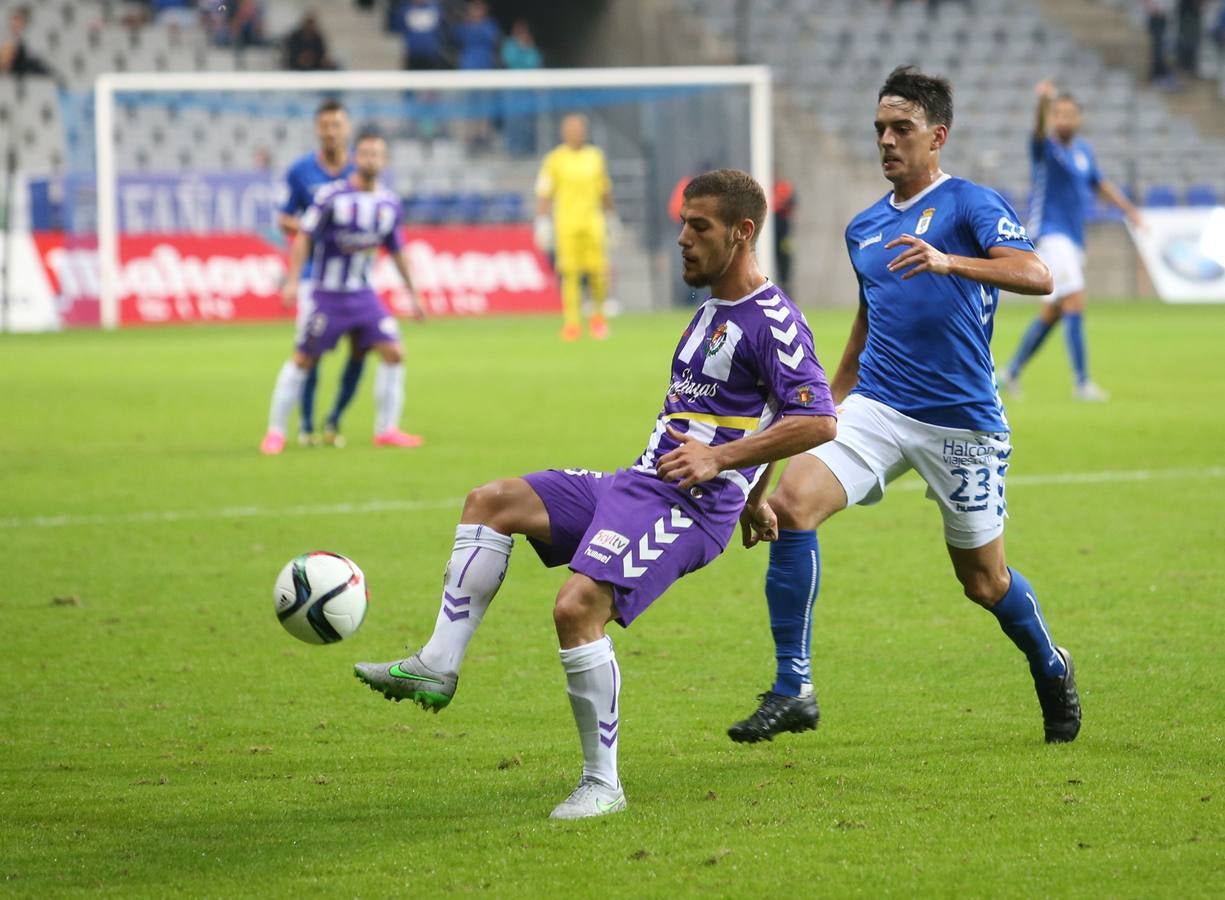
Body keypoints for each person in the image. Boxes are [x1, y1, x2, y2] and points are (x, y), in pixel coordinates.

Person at [354, 169, 838, 819]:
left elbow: (814, 418)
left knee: (575, 605)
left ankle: (602, 784)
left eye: (699, 227)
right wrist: (756, 496)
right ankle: (438, 664)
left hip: (690, 509)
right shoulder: (708, 314)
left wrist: (726, 469)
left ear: (742, 232)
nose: (683, 240)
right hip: (639, 481)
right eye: (681, 225)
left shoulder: (774, 321)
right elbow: (758, 413)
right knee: (491, 501)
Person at [728, 66, 1082, 749]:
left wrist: (952, 262)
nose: (887, 142)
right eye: (879, 131)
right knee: (793, 507)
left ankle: (1049, 661)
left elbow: (1037, 275)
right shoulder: (863, 228)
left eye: (902, 129)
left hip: (962, 423)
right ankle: (791, 685)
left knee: (983, 582)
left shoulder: (969, 205)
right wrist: (811, 417)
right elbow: (865, 334)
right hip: (878, 407)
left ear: (936, 137)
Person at [262, 132, 425, 456]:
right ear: (355, 158)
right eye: (365, 154)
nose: (370, 160)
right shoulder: (331, 197)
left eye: (377, 154)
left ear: (385, 161)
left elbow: (396, 250)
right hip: (327, 295)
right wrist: (293, 281)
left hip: (364, 295)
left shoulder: (389, 203)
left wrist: (414, 293)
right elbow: (304, 237)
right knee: (303, 359)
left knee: (394, 353)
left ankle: (386, 429)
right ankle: (275, 432)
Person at [1001, 81, 1142, 402]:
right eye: (1058, 114)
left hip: (1074, 239)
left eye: (1069, 114)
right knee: (1075, 299)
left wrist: (1131, 212)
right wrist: (1042, 104)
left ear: (1079, 119)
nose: (1063, 119)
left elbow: (1100, 183)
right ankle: (1082, 383)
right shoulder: (1046, 148)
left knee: (1053, 312)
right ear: (1052, 118)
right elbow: (1037, 131)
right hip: (1051, 234)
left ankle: (1011, 371)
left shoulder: (1084, 151)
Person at [272, 99, 366, 449]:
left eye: (336, 125)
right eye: (325, 125)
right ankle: (307, 424)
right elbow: (283, 217)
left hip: (356, 279)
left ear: (347, 129)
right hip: (315, 276)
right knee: (311, 351)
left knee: (363, 347)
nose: (331, 131)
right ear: (317, 129)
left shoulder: (361, 170)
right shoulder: (300, 172)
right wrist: (315, 227)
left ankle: (334, 419)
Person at [534, 113, 619, 341]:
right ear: (564, 132)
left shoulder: (595, 157)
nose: (576, 133)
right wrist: (542, 221)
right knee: (569, 275)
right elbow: (544, 192)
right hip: (567, 224)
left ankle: (598, 319)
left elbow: (604, 190)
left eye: (580, 128)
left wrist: (611, 218)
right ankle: (572, 323)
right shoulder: (555, 159)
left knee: (598, 273)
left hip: (593, 223)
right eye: (572, 129)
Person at [395, 0, 448, 70]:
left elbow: (442, 28)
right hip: (412, 53)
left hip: (431, 53)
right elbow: (400, 27)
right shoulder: (405, 10)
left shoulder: (436, 8)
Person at [0, 6, 50, 77]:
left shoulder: (32, 37)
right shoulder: (4, 37)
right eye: (13, 19)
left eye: (18, 19)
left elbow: (35, 57)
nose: (15, 22)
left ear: (24, 22)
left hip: (26, 68)